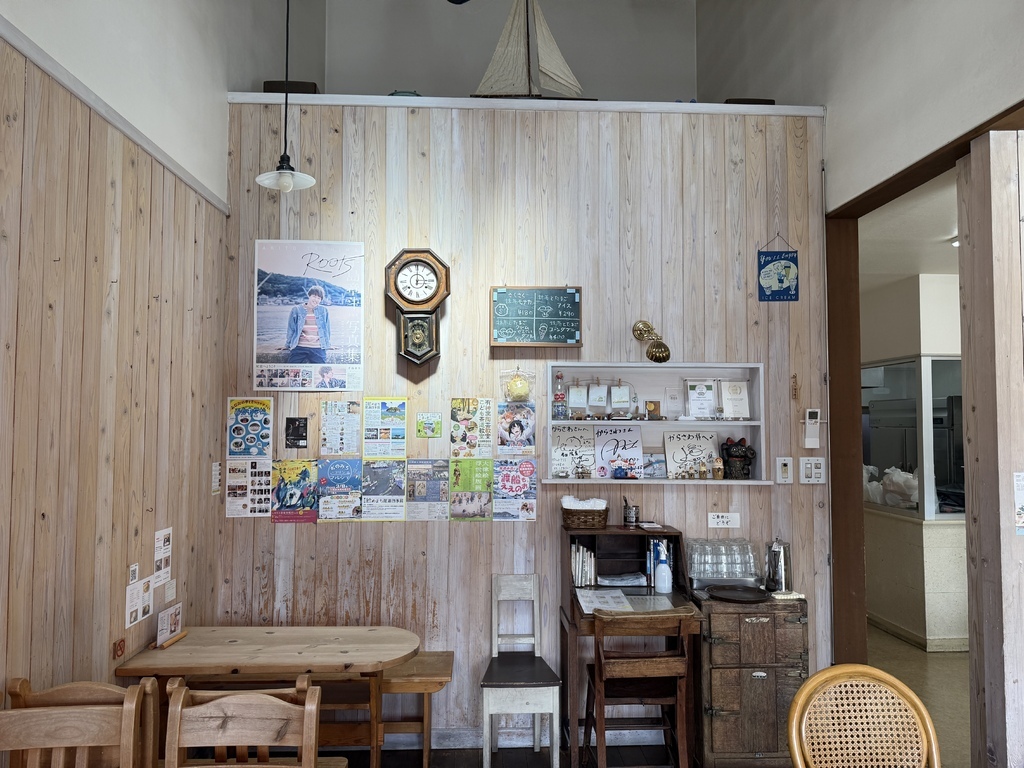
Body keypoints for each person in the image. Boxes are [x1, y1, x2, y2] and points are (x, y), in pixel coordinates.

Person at [285, 285, 331, 364]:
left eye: (319, 298)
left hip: (318, 347)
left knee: (320, 369)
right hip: (299, 346)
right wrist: (287, 345)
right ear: (309, 295)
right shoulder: (296, 309)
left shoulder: (324, 310)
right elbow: (291, 329)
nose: (316, 299)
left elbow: (327, 329)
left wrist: (328, 344)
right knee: (291, 368)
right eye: (314, 296)